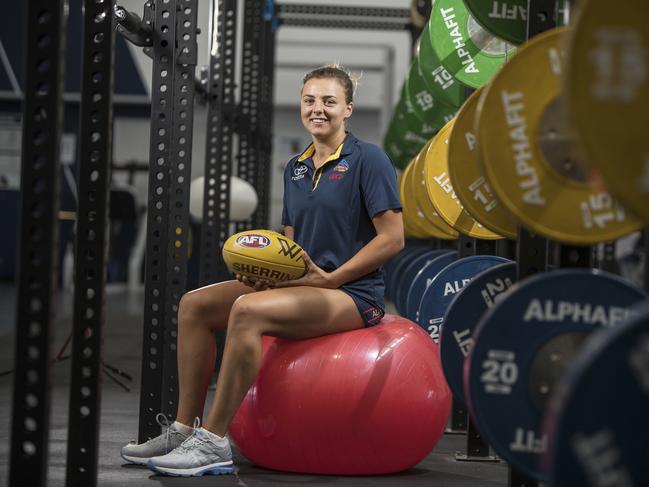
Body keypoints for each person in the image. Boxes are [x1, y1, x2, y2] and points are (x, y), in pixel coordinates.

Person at [120, 64, 404, 477]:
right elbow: (290, 244)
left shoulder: (368, 159)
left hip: (352, 296)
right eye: (310, 100)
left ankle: (214, 441)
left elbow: (393, 239)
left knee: (248, 312)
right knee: (194, 305)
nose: (317, 109)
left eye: (329, 101)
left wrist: (332, 277)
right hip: (308, 286)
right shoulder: (296, 168)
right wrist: (268, 277)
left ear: (348, 109)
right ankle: (184, 429)